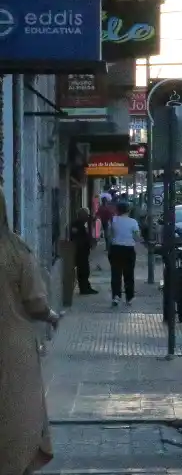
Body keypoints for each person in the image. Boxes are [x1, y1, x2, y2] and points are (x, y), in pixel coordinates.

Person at [0, 191, 60, 475]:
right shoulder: (15, 250)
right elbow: (35, 301)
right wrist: (50, 316)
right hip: (12, 347)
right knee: (18, 412)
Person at [106, 202, 142, 308]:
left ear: (117, 210)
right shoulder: (133, 222)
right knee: (129, 274)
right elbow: (136, 237)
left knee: (116, 273)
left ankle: (116, 296)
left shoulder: (113, 220)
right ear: (128, 210)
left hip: (115, 249)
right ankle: (129, 298)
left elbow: (109, 235)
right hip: (128, 249)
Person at [68, 209, 97, 296]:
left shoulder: (82, 224)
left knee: (85, 270)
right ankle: (84, 288)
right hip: (80, 251)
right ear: (81, 215)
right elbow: (76, 238)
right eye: (86, 215)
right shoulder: (76, 224)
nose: (87, 217)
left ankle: (86, 287)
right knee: (83, 270)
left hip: (83, 251)